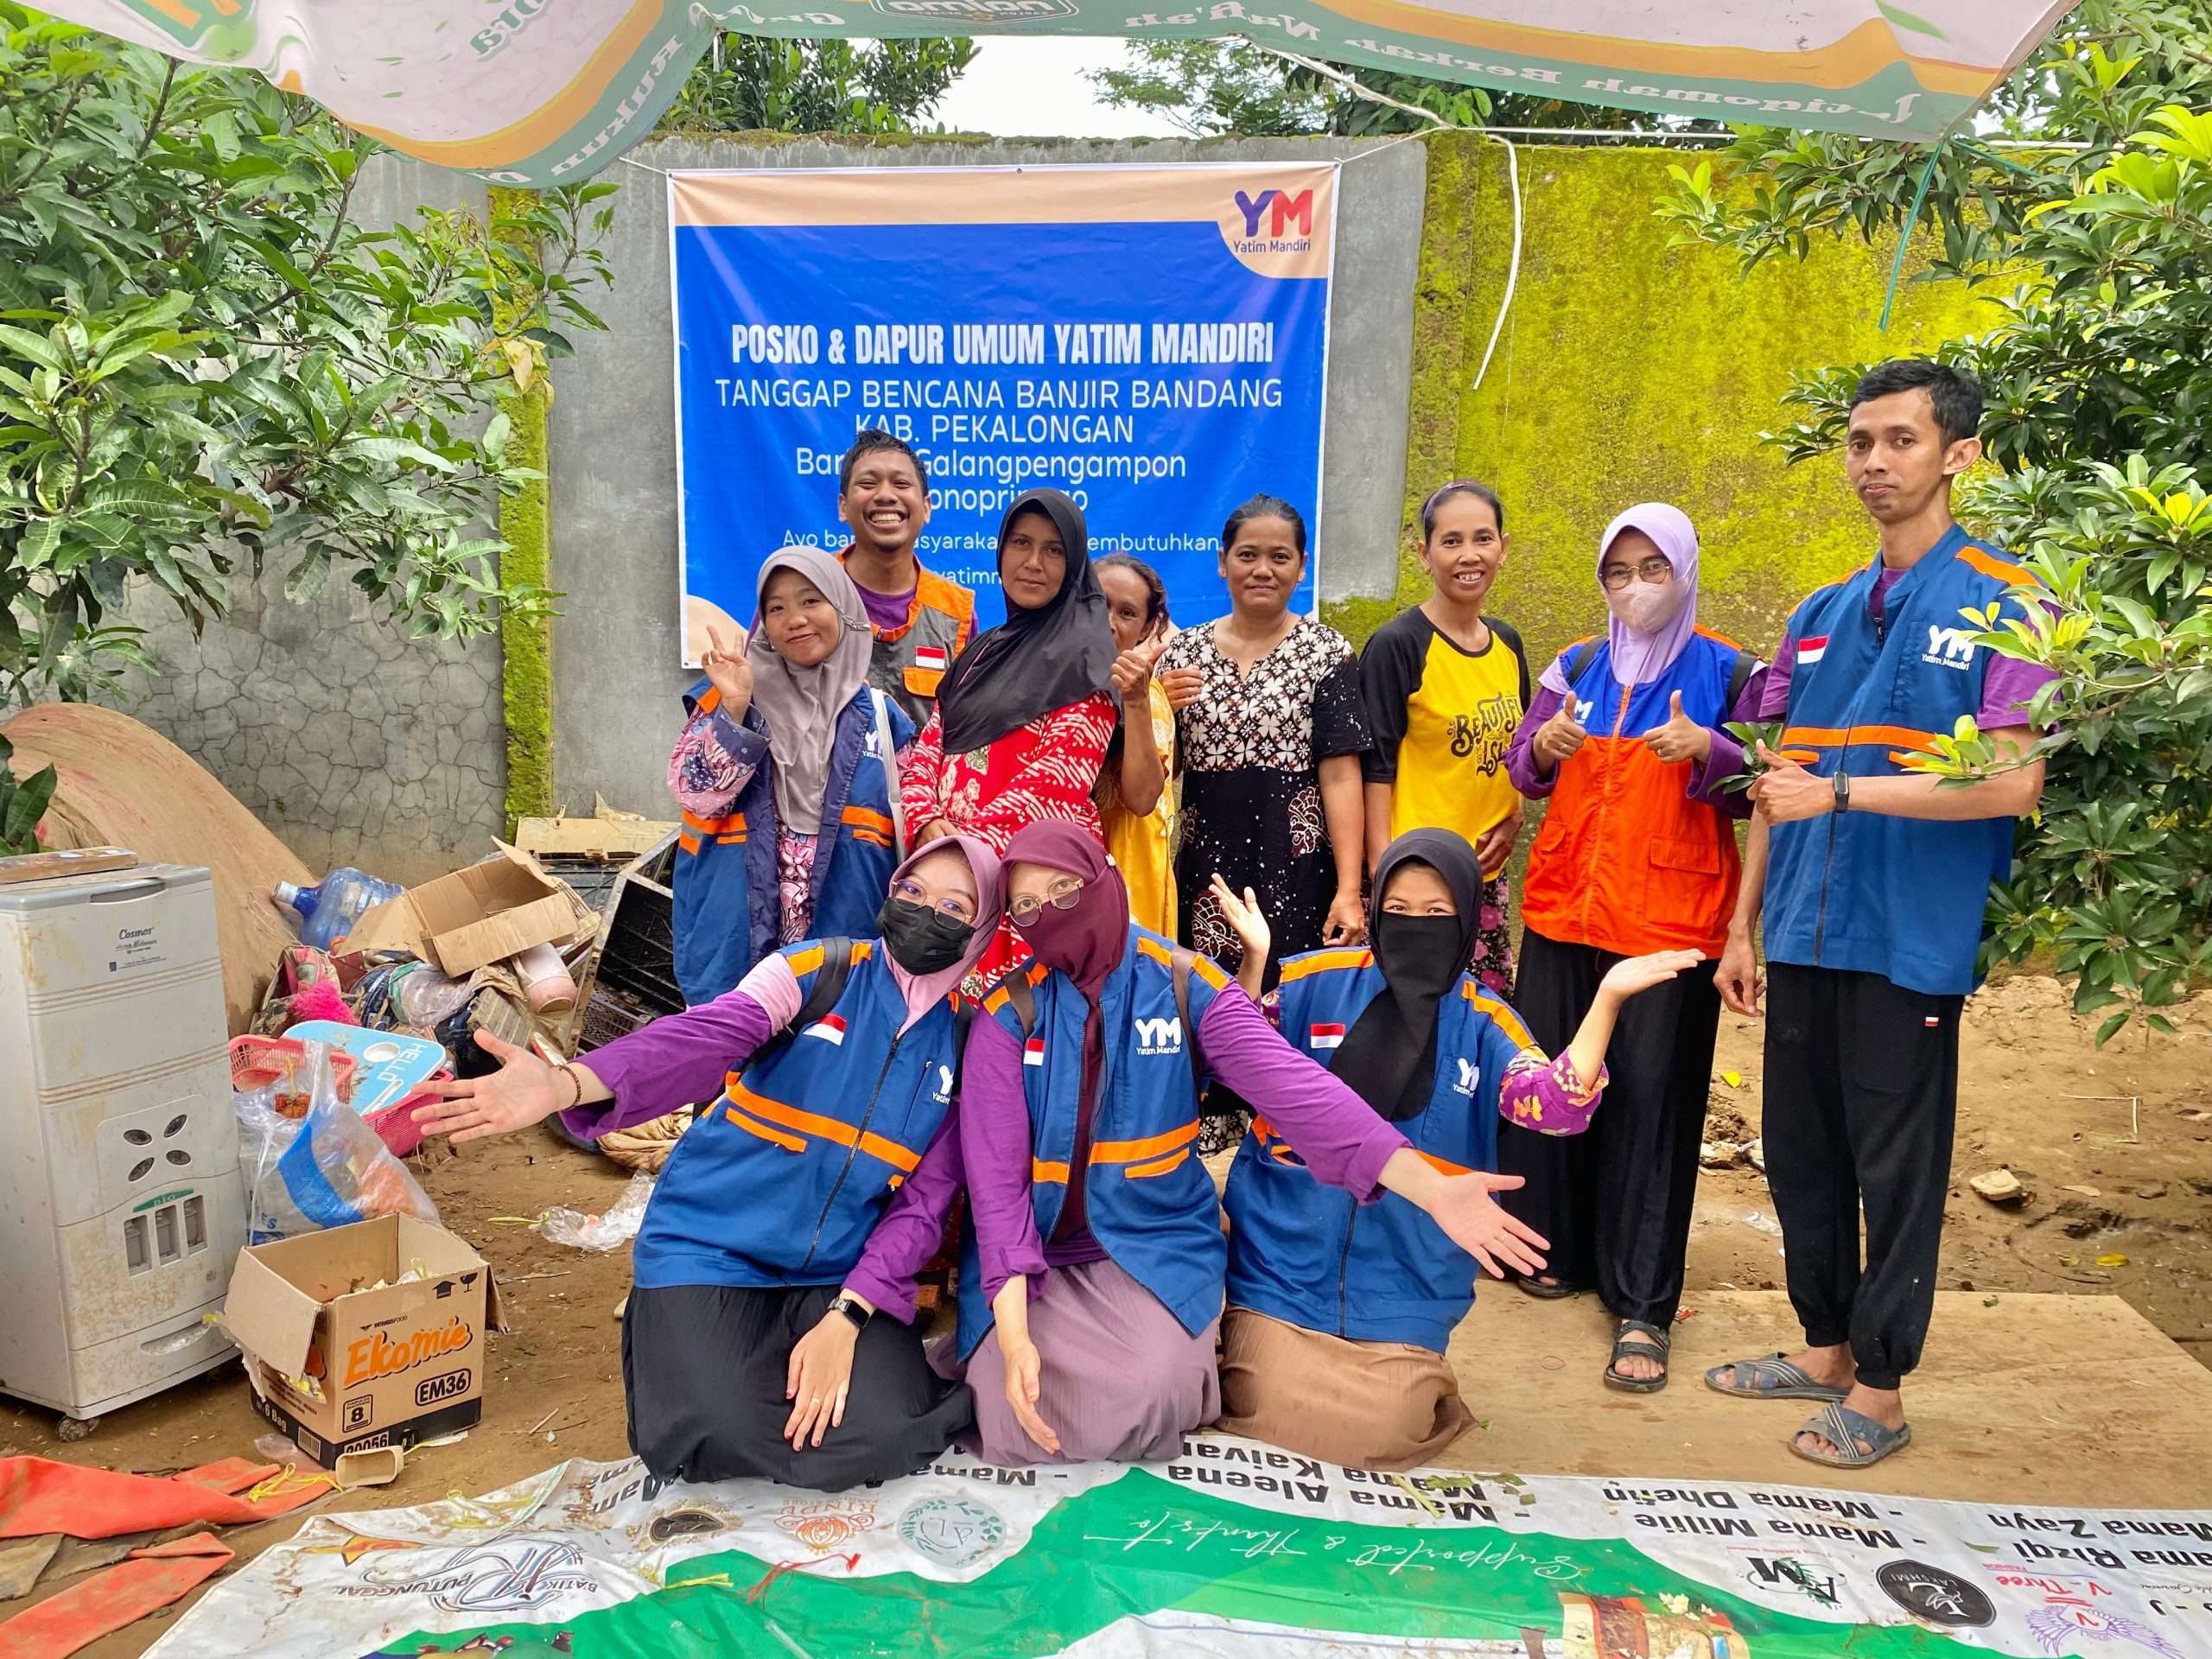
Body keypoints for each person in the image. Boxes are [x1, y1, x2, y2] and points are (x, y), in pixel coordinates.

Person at [935, 821, 1548, 1468]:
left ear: (1106, 877)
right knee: (1012, 1411)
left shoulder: (1184, 984)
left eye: (1065, 890)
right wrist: (1013, 1334)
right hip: (1031, 1260)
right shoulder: (1008, 1016)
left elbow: (1302, 1096)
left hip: (1148, 1248)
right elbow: (999, 1198)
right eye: (1027, 906)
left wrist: (1431, 1187)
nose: (1050, 915)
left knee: (1153, 1399)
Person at [411, 839, 1005, 1492]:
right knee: (706, 1430)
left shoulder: (962, 1041)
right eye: (913, 893)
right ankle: (694, 1348)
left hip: (835, 1273)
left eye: (955, 906)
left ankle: (806, 1361)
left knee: (892, 1433)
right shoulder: (817, 972)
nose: (926, 914)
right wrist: (569, 1084)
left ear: (982, 929)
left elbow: (923, 1207)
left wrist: (850, 1316)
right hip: (713, 1247)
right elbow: (707, 1038)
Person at [1706, 359, 2055, 1469]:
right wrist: (1738, 927)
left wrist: (1842, 793)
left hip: (1909, 938)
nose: (1872, 463)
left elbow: (2011, 785)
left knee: (1894, 1162)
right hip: (1802, 925)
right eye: (1860, 442)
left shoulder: (2016, 601)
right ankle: (1821, 1348)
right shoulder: (1814, 615)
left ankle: (1885, 1387)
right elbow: (1773, 781)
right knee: (1799, 1149)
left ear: (1957, 454)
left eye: (1899, 441)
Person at [1210, 830, 1698, 1469]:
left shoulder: (1484, 1022)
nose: (1416, 928)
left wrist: (1606, 1001)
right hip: (1279, 1273)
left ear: (1467, 917)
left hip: (1406, 1291)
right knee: (1258, 1406)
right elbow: (1231, 1057)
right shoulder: (1312, 984)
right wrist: (1253, 964)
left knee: (1376, 1433)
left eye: (1437, 914)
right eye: (1399, 911)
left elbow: (1554, 1110)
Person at [1496, 503, 1761, 1390]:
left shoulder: (1729, 670)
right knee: (1553, 1087)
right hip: (1566, 911)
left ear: (1684, 570)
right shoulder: (1574, 663)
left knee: (1652, 1108)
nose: (1635, 587)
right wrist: (1546, 741)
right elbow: (1522, 770)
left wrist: (1707, 748)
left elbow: (1763, 785)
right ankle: (1553, 1254)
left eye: (1653, 569)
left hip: (1668, 919)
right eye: (1619, 571)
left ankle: (1642, 1304)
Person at [901, 488, 1154, 980]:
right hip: (949, 891)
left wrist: (959, 861)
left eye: (1054, 550)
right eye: (1020, 543)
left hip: (1031, 892)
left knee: (1022, 1035)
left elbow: (1054, 784)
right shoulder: (981, 654)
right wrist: (925, 821)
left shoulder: (1090, 659)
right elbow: (929, 747)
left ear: (1075, 564)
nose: (1033, 562)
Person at [668, 547, 912, 1007]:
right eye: (776, 607)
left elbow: (916, 820)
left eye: (811, 601)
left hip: (845, 935)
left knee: (825, 1059)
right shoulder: (726, 695)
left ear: (842, 606)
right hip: (736, 935)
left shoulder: (883, 718)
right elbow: (695, 794)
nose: (794, 619)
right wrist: (736, 710)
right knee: (735, 1059)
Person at [1156, 495, 1368, 1022]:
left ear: (1302, 567)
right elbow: (1162, 770)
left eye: (1280, 557)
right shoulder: (1184, 654)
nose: (1263, 570)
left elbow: (1341, 776)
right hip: (1208, 866)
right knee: (1209, 1005)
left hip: (1297, 863)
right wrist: (1152, 704)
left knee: (1292, 1003)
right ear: (1223, 561)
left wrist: (1348, 889)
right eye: (1248, 555)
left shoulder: (1326, 652)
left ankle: (1280, 1109)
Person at [1358, 481, 1531, 994]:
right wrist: (1382, 876)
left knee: (1480, 1016)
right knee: (1416, 1013)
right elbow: (1376, 768)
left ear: (1504, 546)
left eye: (1483, 538)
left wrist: (1515, 814)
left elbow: (1515, 745)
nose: (1469, 555)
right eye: (1451, 541)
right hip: (1419, 879)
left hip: (1485, 876)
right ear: (1424, 554)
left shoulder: (1507, 643)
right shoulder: (1398, 645)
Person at [1095, 553, 1179, 935]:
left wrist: (1136, 702)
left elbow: (1144, 800)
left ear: (1146, 629)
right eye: (1098, 602)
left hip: (1133, 881)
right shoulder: (1046, 682)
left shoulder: (1150, 698)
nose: (1108, 622)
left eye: (1127, 613)